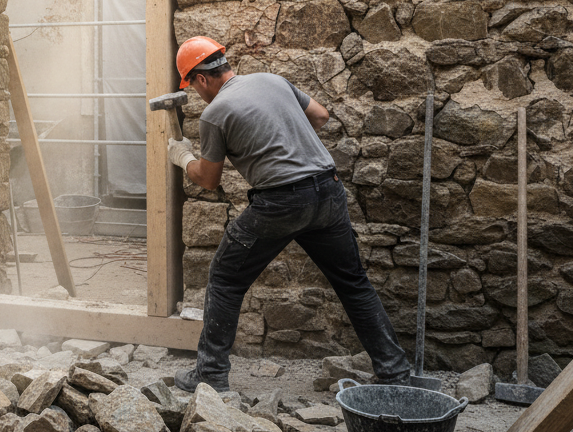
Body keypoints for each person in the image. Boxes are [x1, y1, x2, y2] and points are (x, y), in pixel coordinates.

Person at [167, 35, 412, 392]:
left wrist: (182, 156)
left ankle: (211, 373)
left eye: (193, 86)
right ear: (222, 62)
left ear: (201, 79)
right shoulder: (271, 80)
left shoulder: (214, 114)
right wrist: (288, 145)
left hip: (280, 203)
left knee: (224, 278)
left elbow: (208, 180)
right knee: (353, 282)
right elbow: (322, 115)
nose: (197, 93)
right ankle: (395, 373)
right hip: (328, 190)